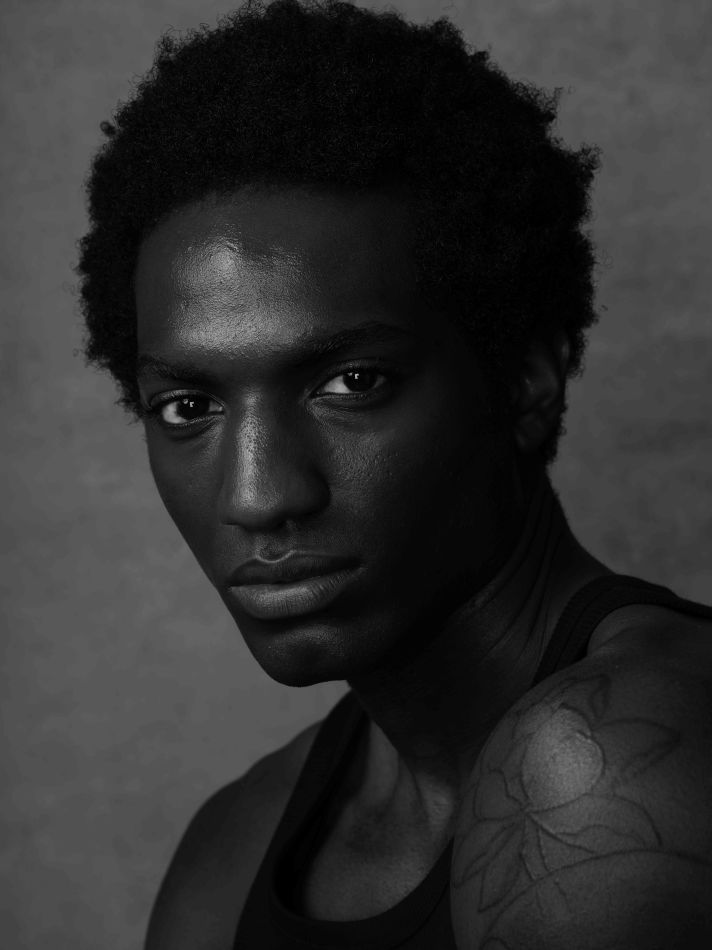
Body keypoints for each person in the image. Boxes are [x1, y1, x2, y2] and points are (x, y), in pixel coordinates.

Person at [76, 1, 712, 946]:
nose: (258, 495)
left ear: (525, 381)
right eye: (188, 407)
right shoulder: (238, 844)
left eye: (351, 383)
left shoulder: (605, 769)